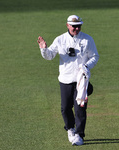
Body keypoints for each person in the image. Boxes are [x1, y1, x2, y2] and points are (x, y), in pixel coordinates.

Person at [37, 15, 99, 146]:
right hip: (65, 79)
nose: (76, 28)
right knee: (65, 108)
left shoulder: (87, 39)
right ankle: (70, 129)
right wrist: (43, 48)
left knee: (80, 108)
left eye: (79, 26)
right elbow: (49, 56)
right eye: (74, 26)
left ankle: (80, 135)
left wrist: (86, 66)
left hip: (81, 80)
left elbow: (95, 56)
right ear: (67, 25)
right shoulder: (60, 39)